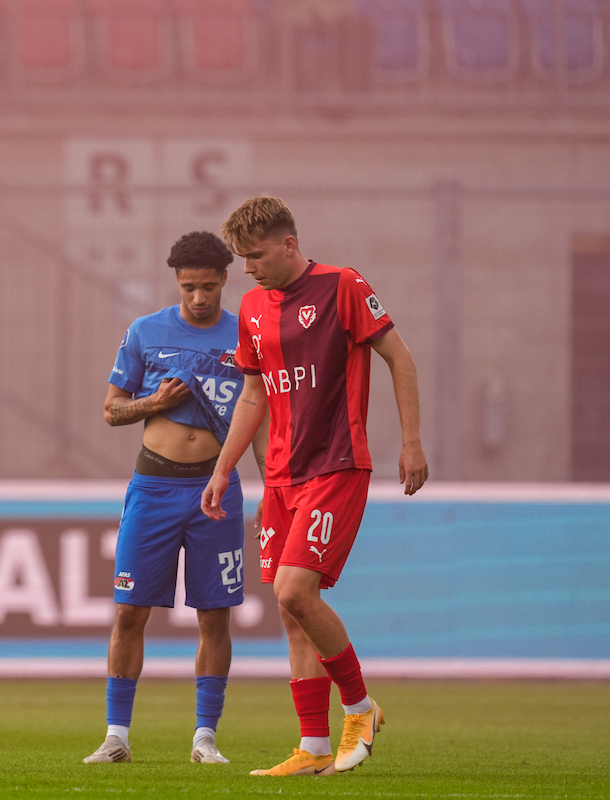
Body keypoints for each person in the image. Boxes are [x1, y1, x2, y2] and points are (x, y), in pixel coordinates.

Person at [201, 196, 429, 776]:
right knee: (292, 612)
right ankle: (314, 746)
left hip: (336, 464)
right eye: (242, 259)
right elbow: (253, 395)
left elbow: (400, 359)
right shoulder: (252, 306)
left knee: (294, 592)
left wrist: (411, 442)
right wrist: (224, 469)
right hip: (282, 475)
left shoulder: (342, 285)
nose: (248, 269)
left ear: (289, 244)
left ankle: (361, 708)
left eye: (256, 256)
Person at [84, 232, 268, 766]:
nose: (198, 298)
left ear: (225, 280)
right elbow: (111, 410)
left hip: (216, 490)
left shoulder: (246, 334)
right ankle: (116, 737)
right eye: (189, 288)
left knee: (215, 616)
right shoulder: (146, 331)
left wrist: (271, 491)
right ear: (177, 282)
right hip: (154, 489)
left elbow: (259, 419)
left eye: (208, 287)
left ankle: (205, 738)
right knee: (129, 612)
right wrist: (153, 402)